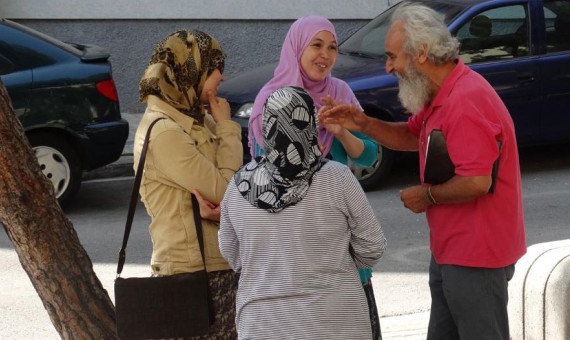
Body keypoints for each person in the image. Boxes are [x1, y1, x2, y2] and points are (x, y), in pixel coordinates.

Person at [319, 3, 527, 340]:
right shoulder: (442, 93)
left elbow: (476, 181)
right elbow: (413, 136)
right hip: (453, 250)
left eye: (392, 57)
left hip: (477, 254)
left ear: (421, 53)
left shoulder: (464, 100)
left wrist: (426, 195)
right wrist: (362, 123)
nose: (388, 67)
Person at [246, 15, 383, 338]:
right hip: (294, 245)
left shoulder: (340, 91)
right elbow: (264, 169)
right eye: (317, 45)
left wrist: (340, 132)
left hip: (338, 236)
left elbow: (370, 156)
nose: (325, 55)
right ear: (297, 47)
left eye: (332, 47)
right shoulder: (272, 99)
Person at [219, 85, 386, 339]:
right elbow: (373, 246)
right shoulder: (336, 177)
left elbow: (233, 255)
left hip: (263, 325)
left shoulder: (239, 186)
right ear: (309, 123)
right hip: (335, 322)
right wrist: (337, 265)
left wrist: (270, 269)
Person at [134, 29, 243, 338]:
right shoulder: (164, 131)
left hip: (217, 267)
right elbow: (228, 192)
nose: (221, 77)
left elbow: (236, 191)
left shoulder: (196, 118)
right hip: (192, 274)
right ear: (188, 71)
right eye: (214, 67)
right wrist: (227, 130)